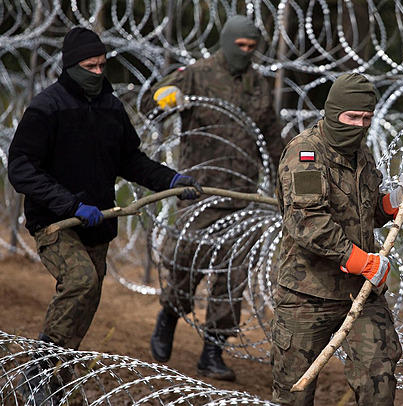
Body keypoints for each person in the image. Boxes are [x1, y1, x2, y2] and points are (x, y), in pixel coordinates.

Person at [8, 27, 202, 405]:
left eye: (102, 65)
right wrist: (69, 204)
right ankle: (36, 372)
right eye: (90, 66)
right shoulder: (47, 108)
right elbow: (21, 168)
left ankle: (57, 381)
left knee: (84, 302)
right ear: (70, 67)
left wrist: (172, 179)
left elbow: (131, 160)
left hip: (98, 226)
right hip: (56, 223)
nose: (98, 72)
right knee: (80, 282)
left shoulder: (111, 107)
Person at [143, 14, 285, 381]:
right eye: (241, 46)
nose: (247, 52)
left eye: (253, 48)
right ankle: (169, 315)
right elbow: (152, 106)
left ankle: (212, 351)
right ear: (226, 42)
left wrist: (284, 182)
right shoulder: (196, 74)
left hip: (242, 195)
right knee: (186, 265)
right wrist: (164, 98)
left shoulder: (259, 84)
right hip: (200, 192)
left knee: (231, 276)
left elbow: (271, 137)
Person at [270, 73, 403, 405]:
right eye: (352, 117)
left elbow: (369, 213)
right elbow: (307, 222)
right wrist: (361, 261)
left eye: (366, 118)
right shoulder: (305, 153)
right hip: (307, 294)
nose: (360, 125)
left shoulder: (362, 155)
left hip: (360, 293)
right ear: (332, 112)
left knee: (379, 379)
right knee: (293, 394)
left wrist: (397, 199)